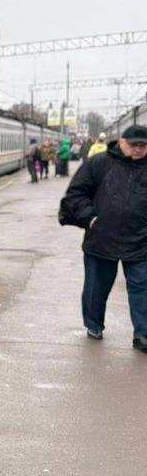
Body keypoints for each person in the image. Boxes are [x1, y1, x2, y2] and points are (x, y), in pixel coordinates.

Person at [60, 124, 147, 351]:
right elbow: (75, 194)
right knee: (96, 288)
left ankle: (143, 334)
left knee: (142, 288)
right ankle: (94, 325)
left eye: (143, 145)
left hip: (141, 241)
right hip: (102, 237)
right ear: (121, 142)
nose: (139, 149)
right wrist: (89, 218)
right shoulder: (99, 163)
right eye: (134, 145)